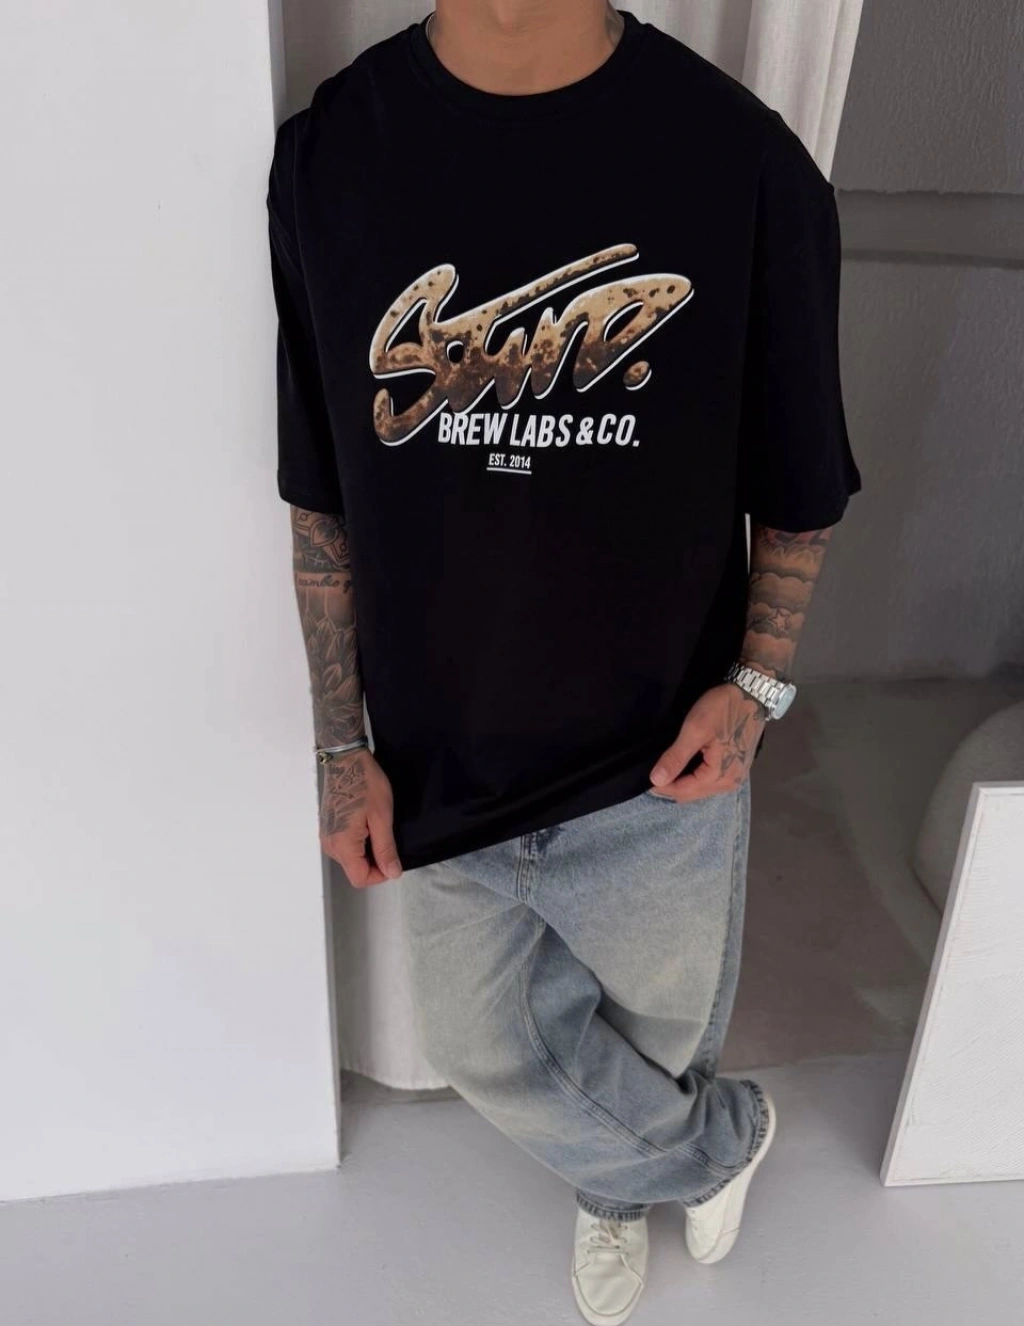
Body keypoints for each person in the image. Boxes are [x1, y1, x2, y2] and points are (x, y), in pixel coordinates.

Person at [268, 3, 860, 1321]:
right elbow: (323, 501)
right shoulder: (330, 157)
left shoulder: (741, 160)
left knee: (657, 1038)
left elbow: (801, 480)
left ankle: (615, 1194)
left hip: (662, 766)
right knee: (482, 1042)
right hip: (443, 761)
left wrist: (756, 689)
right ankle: (716, 1145)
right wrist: (339, 744)